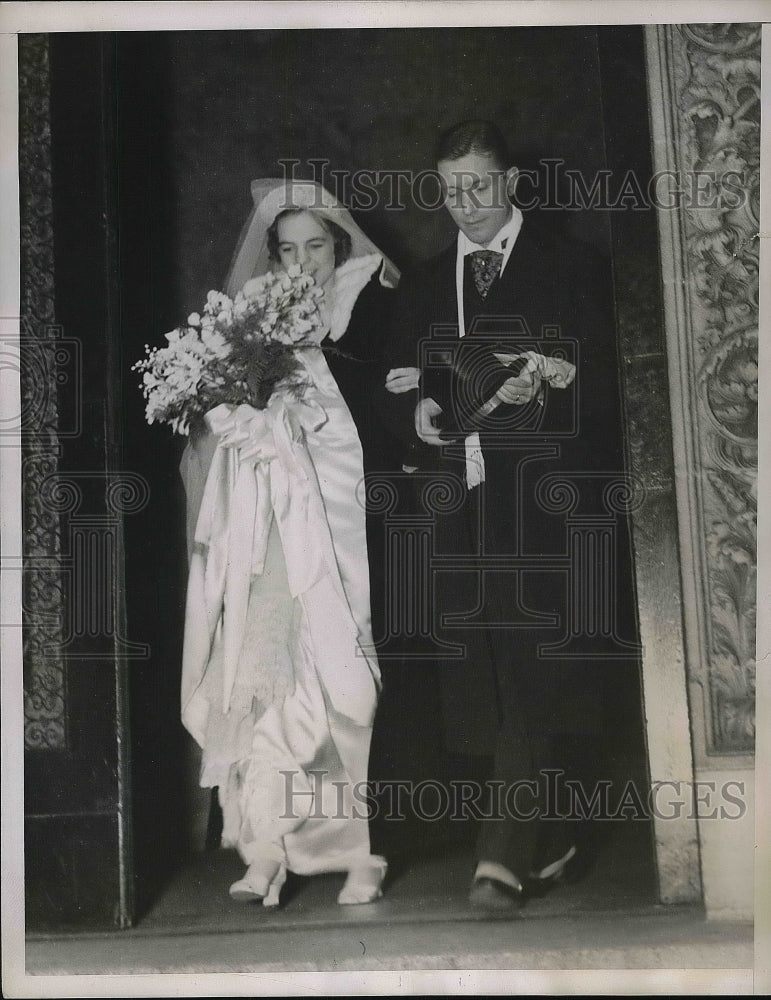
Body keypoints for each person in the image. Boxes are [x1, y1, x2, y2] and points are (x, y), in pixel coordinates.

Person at [381, 120, 630, 910]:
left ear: (513, 183)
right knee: (484, 684)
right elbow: (399, 388)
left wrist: (551, 386)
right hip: (461, 512)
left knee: (533, 668)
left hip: (550, 510)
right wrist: (417, 412)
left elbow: (618, 385)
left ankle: (500, 854)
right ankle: (552, 835)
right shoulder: (423, 284)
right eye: (451, 190)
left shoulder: (573, 265)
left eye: (480, 186)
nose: (467, 204)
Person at [179, 178, 404, 907]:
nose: (302, 262)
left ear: (337, 245)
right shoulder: (254, 323)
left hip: (350, 516)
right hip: (277, 519)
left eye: (316, 246)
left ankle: (361, 847)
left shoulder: (366, 301)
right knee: (269, 661)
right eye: (288, 249)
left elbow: (381, 404)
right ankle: (267, 843)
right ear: (272, 256)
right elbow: (225, 426)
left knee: (348, 666)